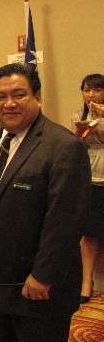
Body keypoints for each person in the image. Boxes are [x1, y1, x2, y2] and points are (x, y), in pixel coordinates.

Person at [0, 63, 91, 342]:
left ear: (37, 96)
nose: (9, 103)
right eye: (1, 96)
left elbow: (66, 221)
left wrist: (42, 276)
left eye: (19, 94)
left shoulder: (63, 146)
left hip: (36, 288)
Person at [71, 73, 104, 304]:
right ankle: (86, 282)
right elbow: (75, 143)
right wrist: (83, 130)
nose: (90, 95)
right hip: (90, 178)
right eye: (86, 90)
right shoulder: (78, 115)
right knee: (90, 233)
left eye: (96, 90)